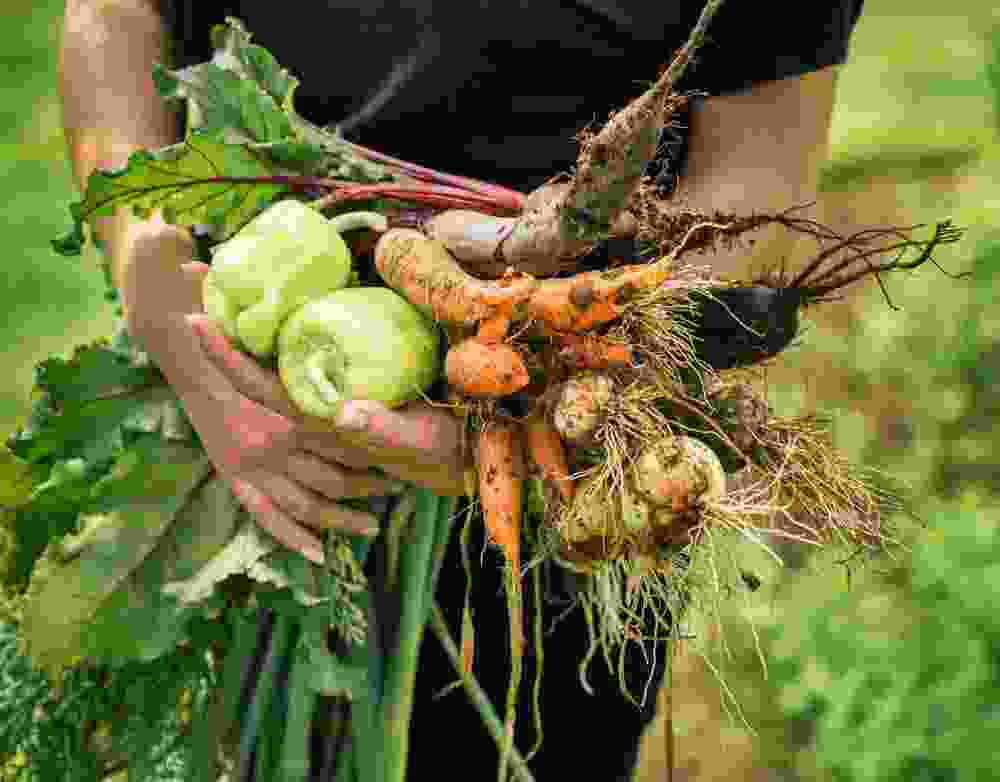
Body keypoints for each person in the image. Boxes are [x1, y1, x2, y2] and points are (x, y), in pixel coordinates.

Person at [58, 1, 864, 779]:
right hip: (234, 407)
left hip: (571, 463)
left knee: (533, 739)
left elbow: (759, 179)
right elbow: (114, 12)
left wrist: (546, 406)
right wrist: (150, 271)